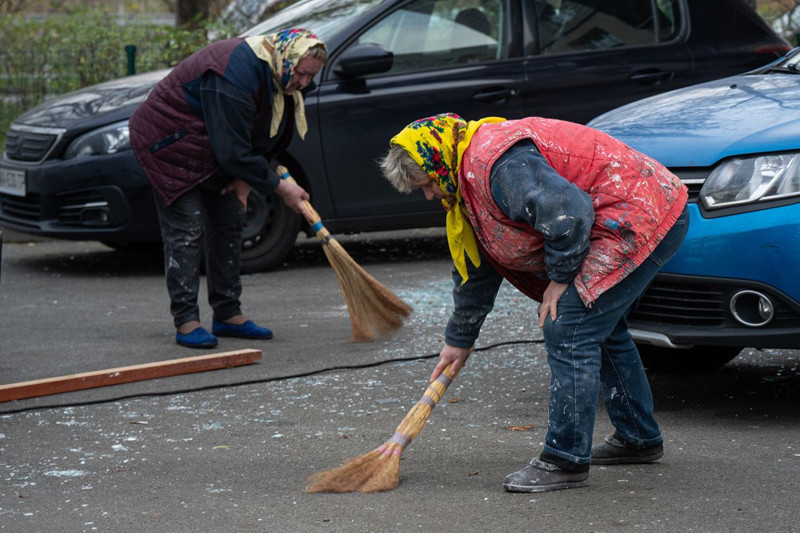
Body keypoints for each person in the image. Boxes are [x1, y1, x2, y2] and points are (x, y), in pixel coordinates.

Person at [380, 113, 689, 492]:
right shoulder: (465, 184)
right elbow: (480, 265)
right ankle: (638, 438)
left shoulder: (497, 165)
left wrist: (560, 279)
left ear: (438, 163)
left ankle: (565, 460)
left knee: (569, 326)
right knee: (600, 329)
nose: (430, 196)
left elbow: (569, 213)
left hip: (638, 212)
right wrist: (459, 337)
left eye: (426, 185)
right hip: (622, 214)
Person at [129, 29, 327, 349]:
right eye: (303, 74)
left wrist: (246, 177)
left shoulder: (282, 75)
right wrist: (280, 187)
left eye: (311, 76)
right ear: (286, 60)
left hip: (214, 144)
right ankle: (186, 320)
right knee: (187, 231)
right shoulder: (234, 75)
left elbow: (264, 134)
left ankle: (227, 314)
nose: (304, 83)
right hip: (171, 144)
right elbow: (233, 151)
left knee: (230, 219)